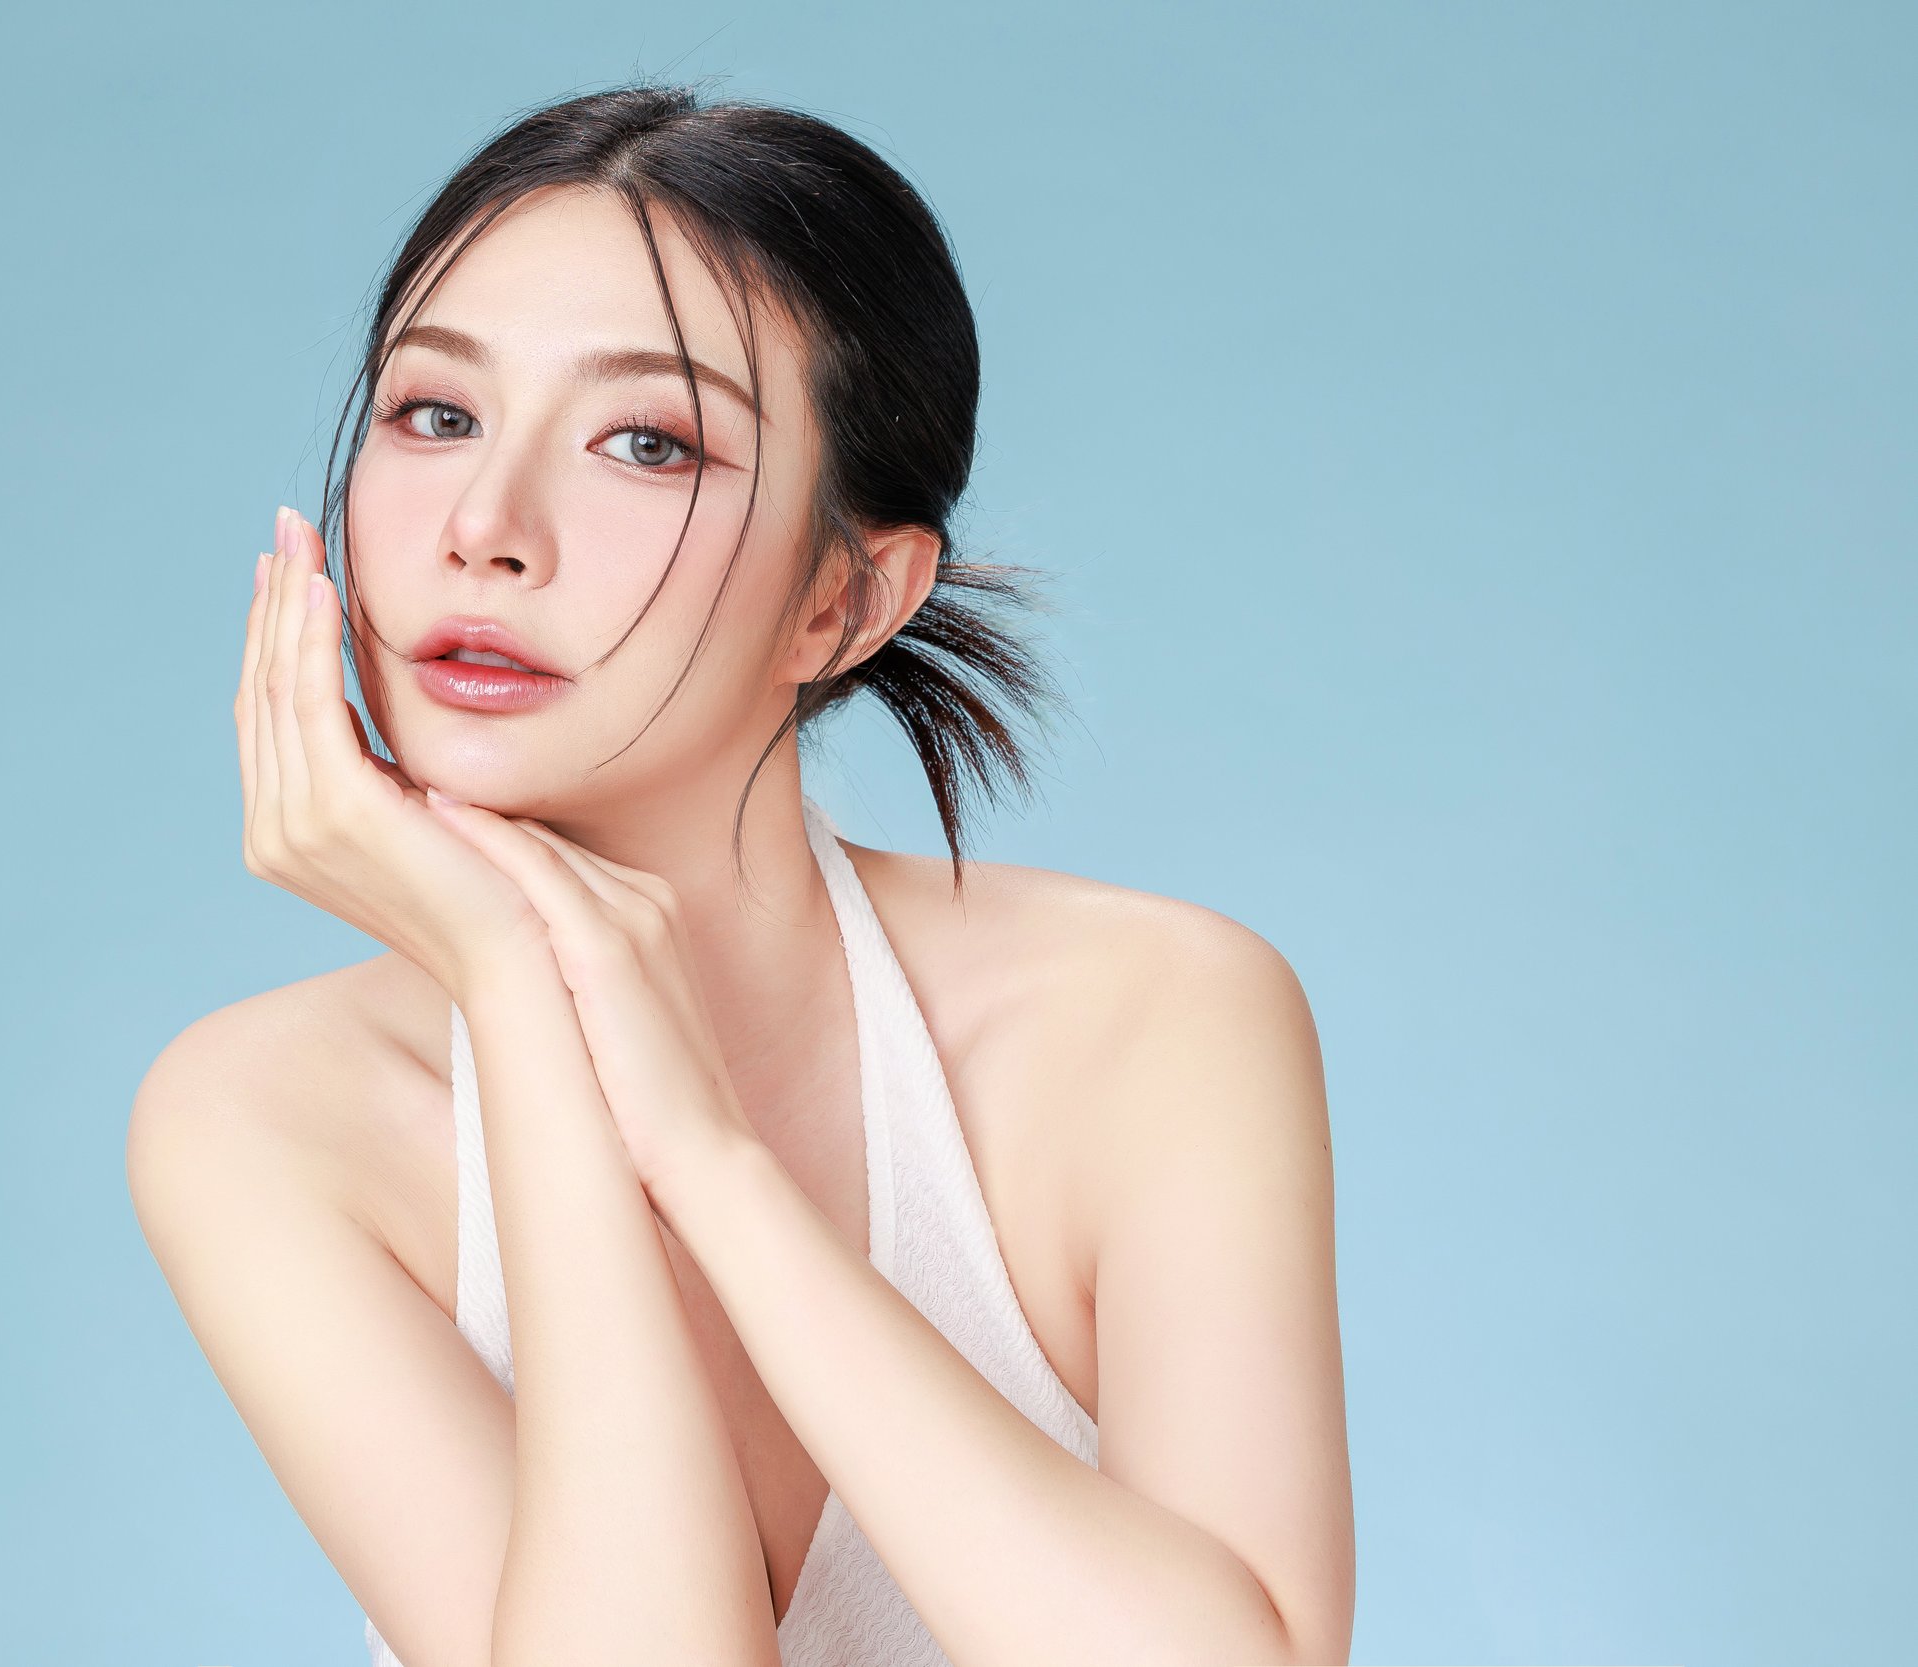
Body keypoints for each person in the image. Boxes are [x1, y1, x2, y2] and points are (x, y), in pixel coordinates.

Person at [128, 81, 1354, 1667]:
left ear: (843, 602)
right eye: (435, 415)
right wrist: (524, 1003)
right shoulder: (264, 1117)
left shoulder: (1148, 1018)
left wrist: (708, 1156)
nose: (486, 528)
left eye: (648, 443)